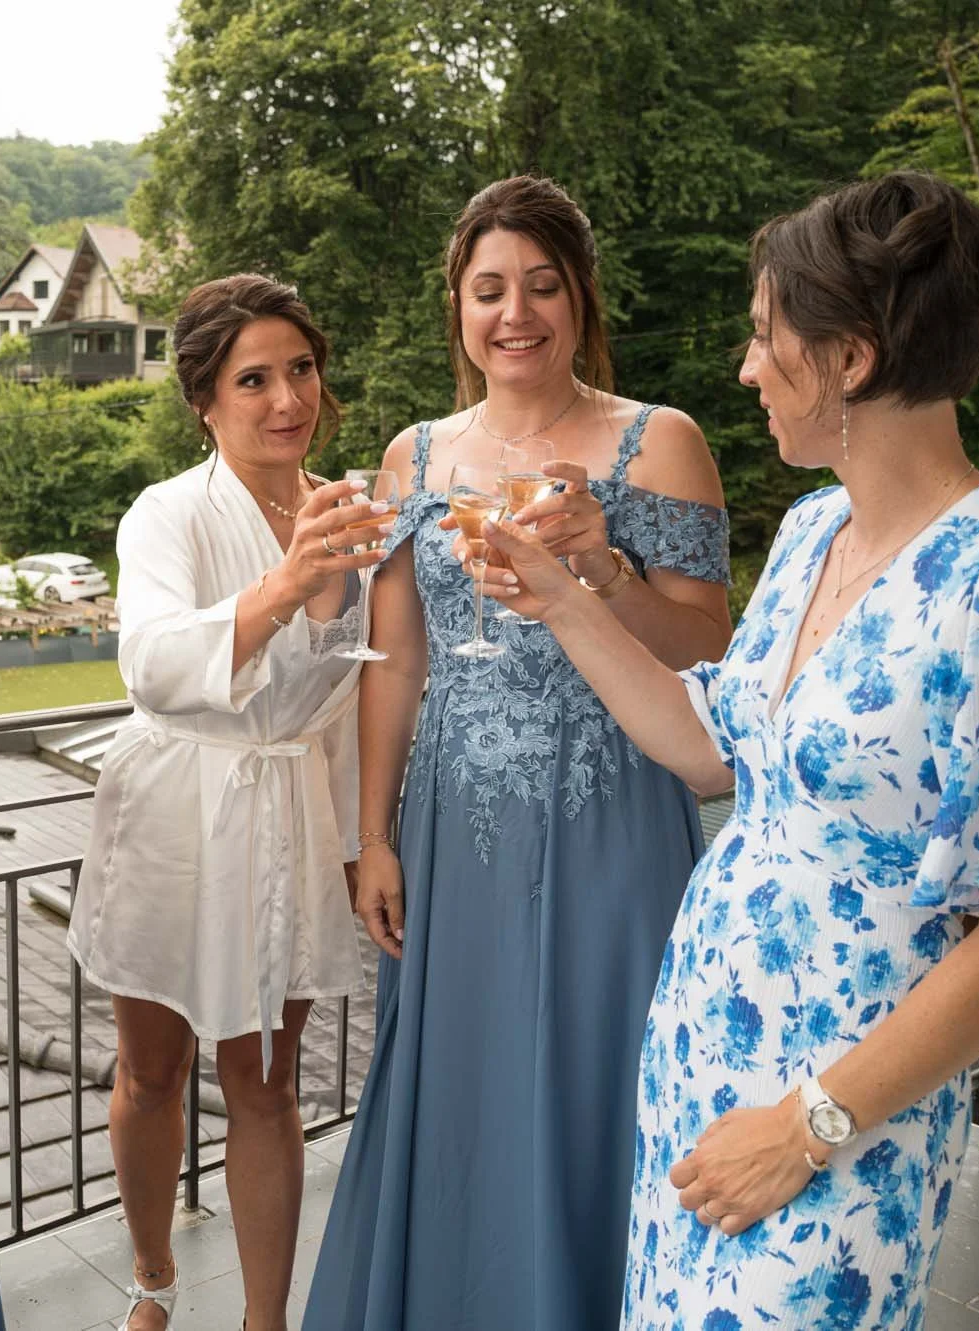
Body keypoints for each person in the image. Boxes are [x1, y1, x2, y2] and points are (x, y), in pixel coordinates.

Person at [472, 171, 979, 1330]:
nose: (742, 366)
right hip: (699, 1064)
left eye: (764, 336)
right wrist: (559, 599)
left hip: (833, 1116)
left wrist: (805, 1125)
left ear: (851, 359)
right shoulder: (809, 527)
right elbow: (707, 751)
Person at [306, 175, 733, 1331]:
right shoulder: (412, 456)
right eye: (487, 289)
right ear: (457, 303)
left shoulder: (659, 444)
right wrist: (372, 833)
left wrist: (602, 568)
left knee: (602, 1069)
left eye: (540, 285)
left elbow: (709, 651)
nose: (514, 313)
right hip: (455, 825)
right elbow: (395, 660)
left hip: (614, 815)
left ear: (579, 295)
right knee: (462, 1082)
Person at [68, 274, 382, 1331]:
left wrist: (353, 841)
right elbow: (153, 664)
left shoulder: (346, 512)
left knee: (265, 1077)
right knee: (152, 1069)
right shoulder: (166, 514)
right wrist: (288, 584)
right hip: (173, 806)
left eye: (300, 370)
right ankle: (152, 1276)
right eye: (253, 379)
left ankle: (263, 1319)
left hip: (285, 805)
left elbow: (347, 700)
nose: (286, 397)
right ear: (203, 399)